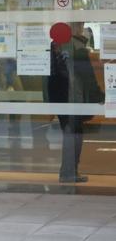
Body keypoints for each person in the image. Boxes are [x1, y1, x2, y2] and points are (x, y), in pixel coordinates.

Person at [47, 22, 104, 183]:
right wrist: (98, 96)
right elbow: (88, 78)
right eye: (80, 25)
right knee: (75, 135)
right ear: (75, 29)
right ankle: (69, 172)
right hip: (74, 99)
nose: (83, 29)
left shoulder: (53, 47)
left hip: (59, 98)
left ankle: (67, 171)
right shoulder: (78, 47)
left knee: (69, 134)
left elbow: (49, 77)